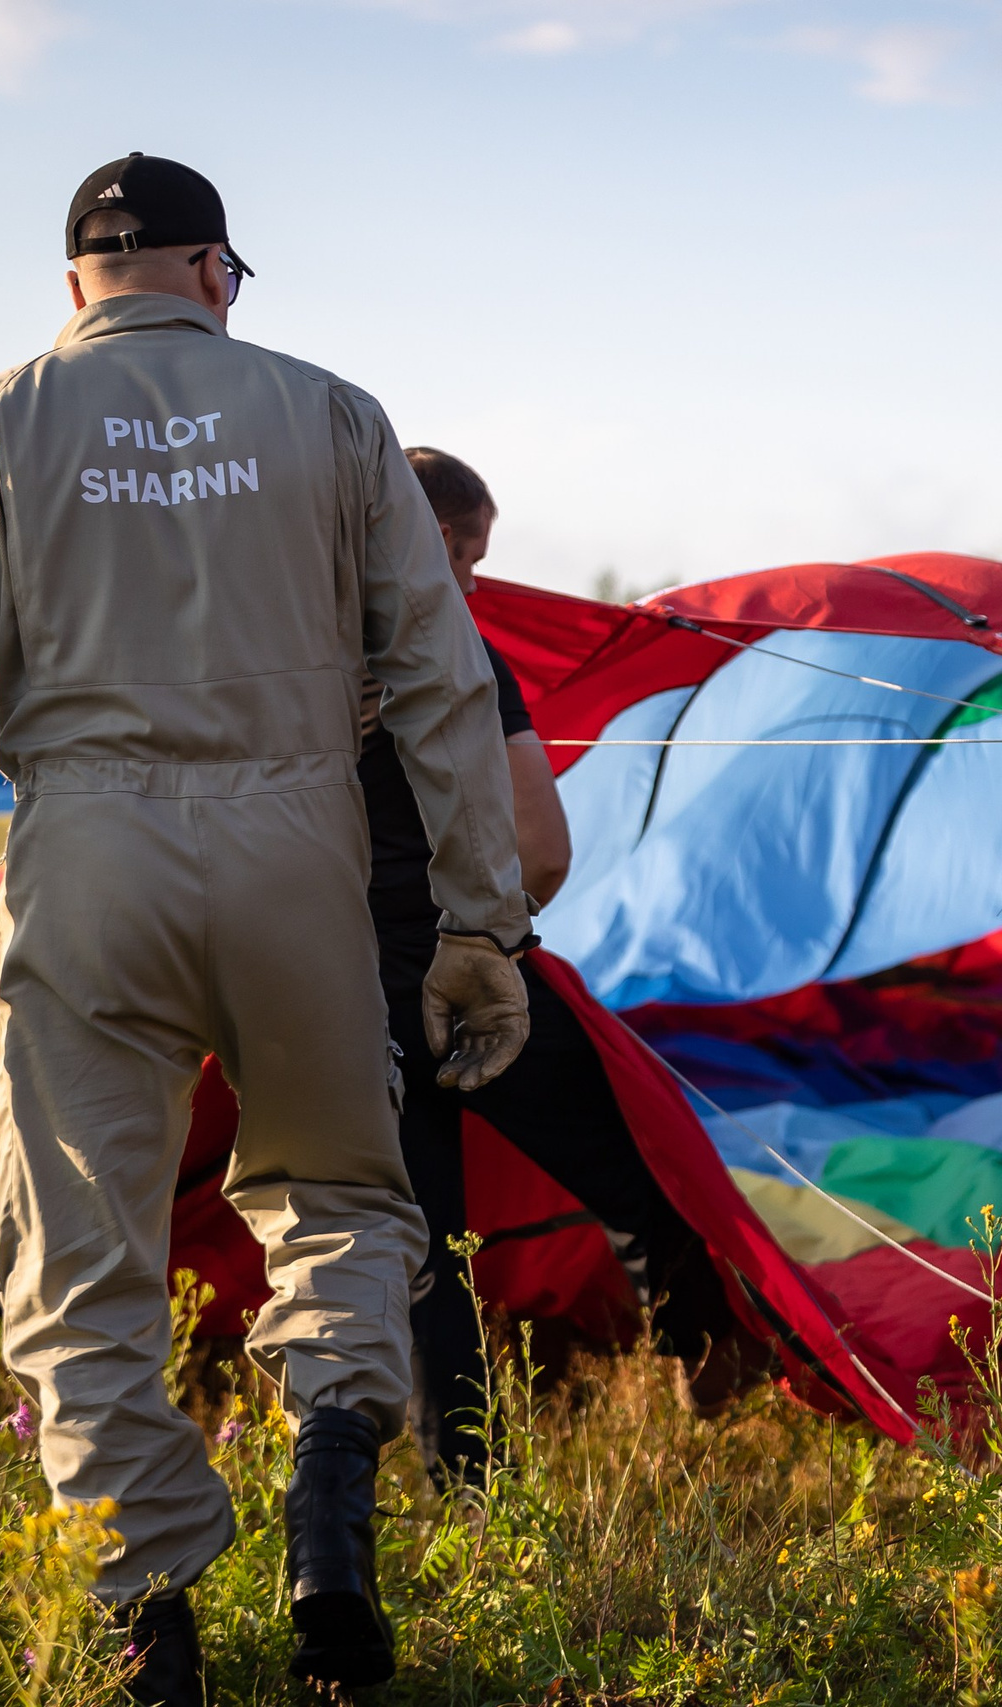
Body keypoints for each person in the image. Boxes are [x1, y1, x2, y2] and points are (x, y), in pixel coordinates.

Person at [0, 153, 536, 1706]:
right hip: (299, 852)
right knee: (336, 1187)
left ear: (76, 284)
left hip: (90, 861)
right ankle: (331, 1490)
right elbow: (449, 682)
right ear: (214, 274)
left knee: (80, 1247)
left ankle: (152, 1618)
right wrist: (480, 924)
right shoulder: (333, 413)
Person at [374, 449, 761, 1487]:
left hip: (341, 994)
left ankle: (466, 1486)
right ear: (439, 540)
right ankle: (706, 1350)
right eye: (467, 556)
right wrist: (488, 936)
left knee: (421, 1254)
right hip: (467, 972)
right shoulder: (457, 654)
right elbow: (543, 849)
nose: (469, 582)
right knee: (636, 1158)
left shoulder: (276, 660)